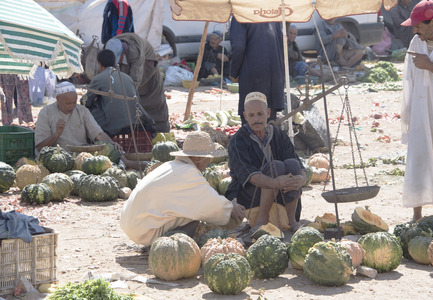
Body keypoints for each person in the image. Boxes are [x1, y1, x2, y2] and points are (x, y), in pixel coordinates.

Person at [120, 131, 245, 246]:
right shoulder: (189, 174)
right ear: (198, 158)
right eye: (208, 158)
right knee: (196, 215)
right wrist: (230, 208)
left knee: (190, 208)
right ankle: (164, 246)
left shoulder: (172, 165)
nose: (209, 161)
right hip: (145, 232)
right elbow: (211, 205)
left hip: (131, 223)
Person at [225, 92, 307, 233]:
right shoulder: (237, 141)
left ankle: (292, 221)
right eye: (251, 115)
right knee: (276, 166)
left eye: (260, 114)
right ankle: (261, 220)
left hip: (282, 190)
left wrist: (301, 179)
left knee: (292, 164)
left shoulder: (279, 135)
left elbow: (298, 164)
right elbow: (250, 176)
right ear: (245, 116)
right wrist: (275, 183)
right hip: (249, 194)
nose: (256, 119)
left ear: (268, 113)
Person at [400, 0, 433, 221]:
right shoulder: (416, 41)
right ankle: (416, 215)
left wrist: (430, 65)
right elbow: (408, 80)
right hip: (420, 110)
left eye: (419, 25)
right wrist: (408, 114)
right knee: (419, 158)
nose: (415, 30)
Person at [105, 33, 170, 132]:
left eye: (118, 60)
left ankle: (160, 130)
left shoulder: (135, 53)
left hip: (147, 66)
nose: (117, 64)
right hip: (129, 66)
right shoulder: (110, 46)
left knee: (153, 100)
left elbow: (135, 81)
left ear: (123, 53)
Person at [84, 49, 156, 138]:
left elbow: (86, 102)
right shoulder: (127, 77)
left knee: (92, 108)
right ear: (115, 62)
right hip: (135, 121)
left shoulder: (98, 79)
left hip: (112, 126)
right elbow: (137, 100)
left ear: (99, 64)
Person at [34, 82, 122, 154]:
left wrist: (112, 144)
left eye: (74, 103)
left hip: (81, 156)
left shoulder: (82, 111)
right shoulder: (46, 113)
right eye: (68, 104)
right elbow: (40, 147)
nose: (72, 106)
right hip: (57, 157)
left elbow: (98, 133)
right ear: (58, 99)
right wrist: (57, 134)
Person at [229, 19, 284, 123]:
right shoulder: (272, 12)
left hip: (252, 74)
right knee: (269, 120)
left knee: (251, 118)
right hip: (274, 75)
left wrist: (233, 72)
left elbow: (238, 46)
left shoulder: (240, 13)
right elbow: (281, 44)